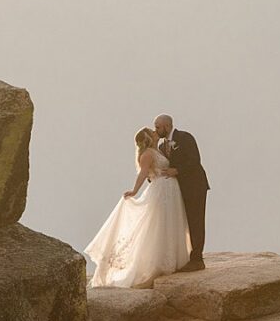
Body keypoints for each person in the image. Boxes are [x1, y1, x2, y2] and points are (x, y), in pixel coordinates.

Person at [83, 127, 191, 288]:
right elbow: (143, 173)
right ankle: (158, 263)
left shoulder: (158, 150)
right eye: (152, 132)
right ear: (148, 138)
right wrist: (134, 190)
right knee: (159, 224)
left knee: (170, 222)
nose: (156, 133)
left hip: (170, 189)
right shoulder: (147, 154)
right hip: (161, 190)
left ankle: (173, 259)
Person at [154, 113, 209, 271]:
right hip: (178, 191)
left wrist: (177, 170)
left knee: (196, 221)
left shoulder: (185, 138)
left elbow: (194, 161)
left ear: (167, 126)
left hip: (195, 186)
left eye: (158, 127)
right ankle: (184, 256)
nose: (155, 130)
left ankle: (197, 259)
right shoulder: (161, 146)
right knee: (181, 222)